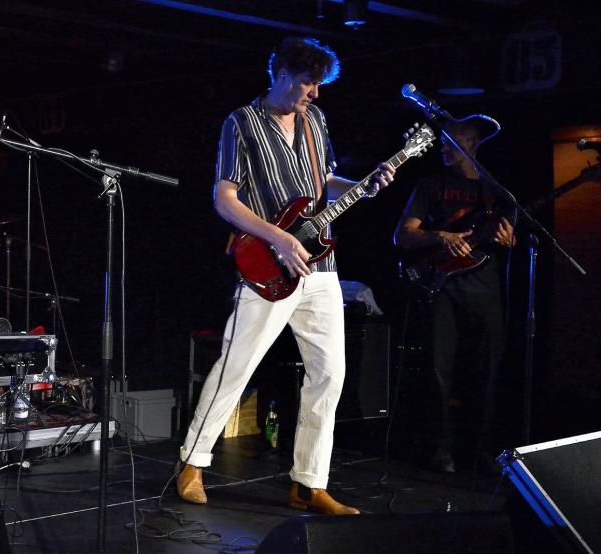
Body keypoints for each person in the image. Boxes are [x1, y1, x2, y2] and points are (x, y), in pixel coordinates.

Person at [176, 37, 395, 515]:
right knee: (237, 366)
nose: (315, 92)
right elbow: (224, 199)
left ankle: (309, 484)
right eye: (308, 82)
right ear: (280, 75)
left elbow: (325, 183)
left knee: (329, 374)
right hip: (267, 264)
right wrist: (277, 237)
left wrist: (362, 186)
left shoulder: (315, 120)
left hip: (320, 265)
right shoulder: (241, 122)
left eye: (319, 84)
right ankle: (192, 463)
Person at [394, 118, 515, 473]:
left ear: (473, 141)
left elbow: (511, 237)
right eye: (443, 138)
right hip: (441, 287)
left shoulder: (498, 192)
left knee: (486, 372)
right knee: (438, 371)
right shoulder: (431, 185)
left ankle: (479, 451)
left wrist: (509, 240)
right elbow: (402, 235)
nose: (443, 144)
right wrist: (441, 236)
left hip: (486, 290)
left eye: (453, 137)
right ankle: (439, 449)